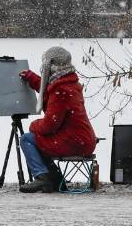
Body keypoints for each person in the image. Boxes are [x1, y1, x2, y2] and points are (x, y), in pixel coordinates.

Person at [16, 45, 97, 193]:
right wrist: (33, 79)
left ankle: (42, 178)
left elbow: (49, 125)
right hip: (83, 140)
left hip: (74, 142)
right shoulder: (69, 82)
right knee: (40, 140)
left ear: (51, 65)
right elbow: (48, 88)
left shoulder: (60, 90)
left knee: (28, 139)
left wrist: (33, 125)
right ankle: (54, 179)